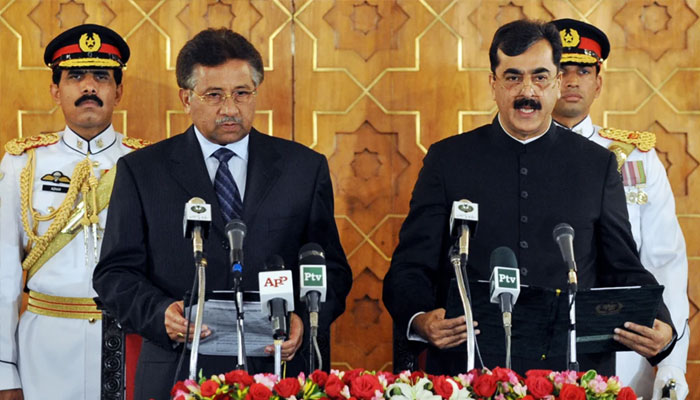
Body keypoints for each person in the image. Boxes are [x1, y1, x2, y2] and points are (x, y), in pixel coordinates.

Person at [382, 19, 676, 377]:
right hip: (469, 366)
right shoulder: (448, 159)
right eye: (512, 77)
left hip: (571, 371)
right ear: (493, 83)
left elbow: (623, 265)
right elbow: (411, 266)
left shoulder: (597, 165)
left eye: (540, 77)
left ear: (556, 84)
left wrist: (662, 324)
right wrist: (421, 318)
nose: (527, 91)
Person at [93, 28, 353, 399]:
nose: (230, 108)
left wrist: (306, 319)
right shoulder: (142, 171)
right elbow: (114, 274)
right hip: (176, 370)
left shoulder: (303, 168)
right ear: (186, 97)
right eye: (214, 95)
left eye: (242, 94)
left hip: (279, 370)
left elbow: (331, 268)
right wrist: (161, 313)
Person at [0, 24, 144, 400]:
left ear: (119, 90)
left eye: (101, 76)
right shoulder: (22, 163)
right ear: (55, 90)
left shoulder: (145, 162)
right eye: (75, 76)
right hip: (44, 345)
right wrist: (3, 369)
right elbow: (3, 273)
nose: (89, 87)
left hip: (126, 338)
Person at [551, 18, 689, 399]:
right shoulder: (504, 153)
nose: (572, 81)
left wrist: (672, 361)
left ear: (599, 81)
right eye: (561, 70)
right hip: (527, 351)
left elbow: (665, 265)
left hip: (621, 356)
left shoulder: (637, 160)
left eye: (584, 70)